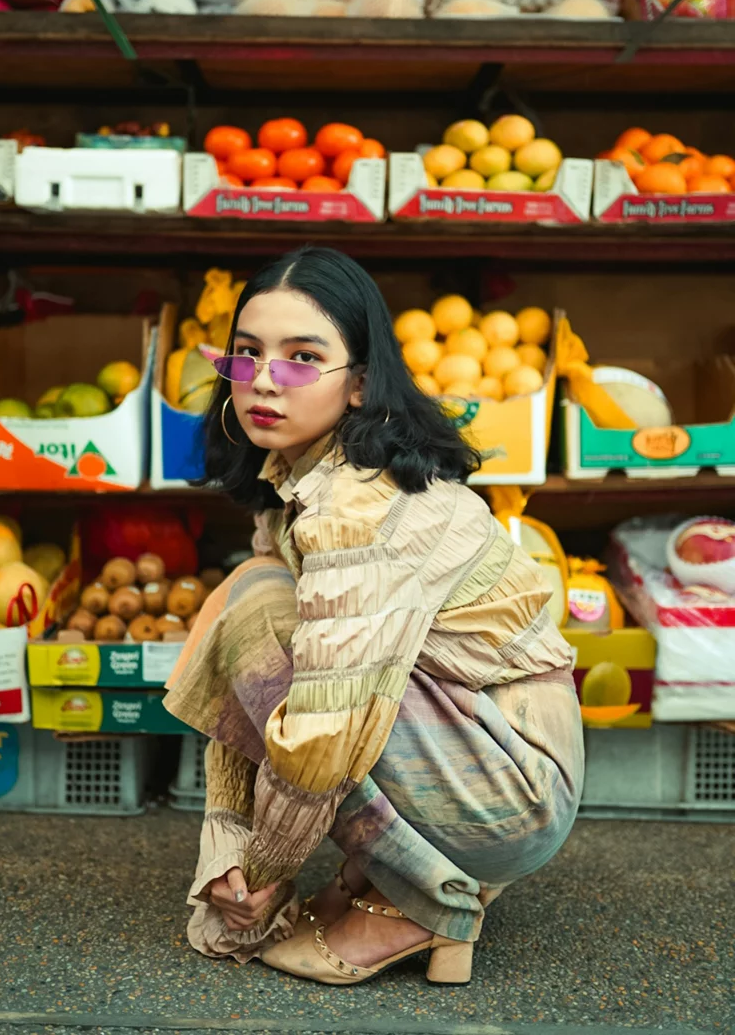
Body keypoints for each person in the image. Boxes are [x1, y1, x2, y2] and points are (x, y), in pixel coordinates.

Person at [163, 246, 584, 987]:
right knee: (256, 598)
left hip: (511, 792)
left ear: (358, 384)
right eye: (246, 354)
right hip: (471, 750)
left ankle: (431, 901)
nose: (263, 380)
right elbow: (253, 691)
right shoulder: (299, 482)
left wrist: (259, 869)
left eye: (301, 359)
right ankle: (392, 875)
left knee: (263, 616)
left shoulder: (360, 507)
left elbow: (325, 728)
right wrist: (229, 847)